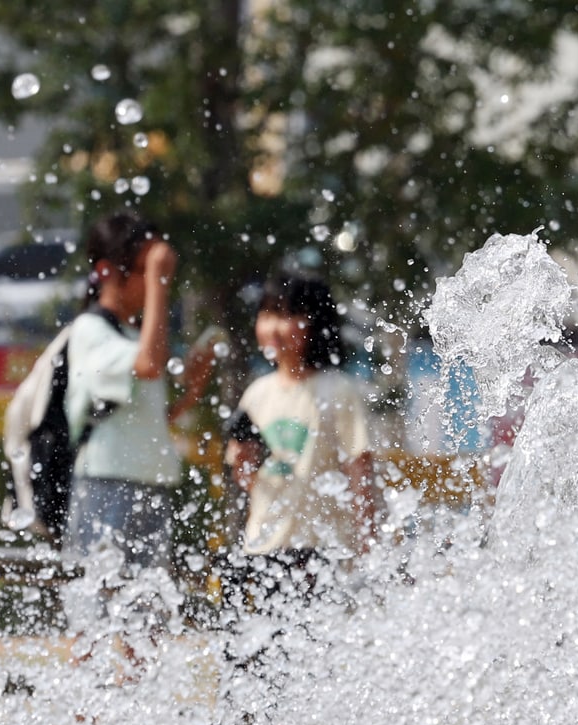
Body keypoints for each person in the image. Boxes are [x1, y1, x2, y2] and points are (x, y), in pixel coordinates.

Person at [62, 210, 210, 569]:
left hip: (148, 480)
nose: (153, 279)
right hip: (106, 482)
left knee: (148, 598)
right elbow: (148, 365)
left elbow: (147, 419)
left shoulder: (133, 335)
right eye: (144, 268)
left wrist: (191, 394)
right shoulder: (89, 329)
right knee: (101, 592)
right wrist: (160, 282)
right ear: (106, 271)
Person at [223, 271, 378, 603]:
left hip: (319, 544)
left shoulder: (337, 390)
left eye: (287, 315)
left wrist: (367, 540)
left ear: (316, 323)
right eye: (267, 314)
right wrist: (245, 460)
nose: (274, 327)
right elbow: (245, 478)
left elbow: (359, 468)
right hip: (263, 543)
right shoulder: (256, 394)